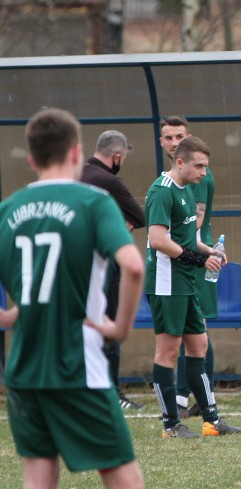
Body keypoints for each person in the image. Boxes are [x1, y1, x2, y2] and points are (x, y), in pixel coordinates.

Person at [0, 108, 145, 488]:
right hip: (77, 365)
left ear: (31, 159)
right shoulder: (93, 202)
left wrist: (10, 315)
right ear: (77, 153)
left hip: (25, 368)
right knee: (121, 473)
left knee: (38, 475)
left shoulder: (7, 210)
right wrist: (120, 327)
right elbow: (133, 266)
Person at [145, 135, 240, 437]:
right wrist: (198, 261)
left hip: (185, 281)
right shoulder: (161, 191)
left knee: (199, 345)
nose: (203, 172)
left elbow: (188, 237)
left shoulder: (186, 190)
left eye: (205, 167)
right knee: (168, 351)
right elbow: (159, 240)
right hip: (166, 282)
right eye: (199, 166)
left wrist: (209, 251)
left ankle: (211, 420)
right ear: (181, 161)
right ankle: (170, 424)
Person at [158, 115, 218, 419]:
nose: (174, 142)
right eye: (168, 137)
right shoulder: (165, 186)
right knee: (173, 344)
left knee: (199, 334)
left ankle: (202, 405)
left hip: (195, 261)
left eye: (179, 136)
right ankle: (176, 409)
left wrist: (205, 252)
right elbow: (158, 238)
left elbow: (192, 227)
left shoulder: (198, 178)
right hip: (175, 268)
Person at [81, 130, 146, 410]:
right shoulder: (108, 180)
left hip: (75, 266)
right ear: (117, 156)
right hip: (106, 264)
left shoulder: (76, 175)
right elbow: (140, 216)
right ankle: (112, 394)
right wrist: (118, 226)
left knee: (82, 328)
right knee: (109, 326)